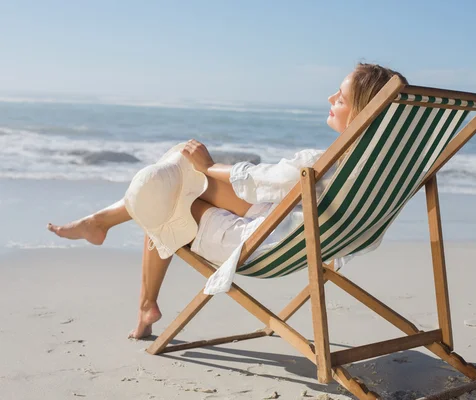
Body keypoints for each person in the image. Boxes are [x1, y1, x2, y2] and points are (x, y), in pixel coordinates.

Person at [47, 63, 408, 339]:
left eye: (340, 98)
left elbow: (273, 178)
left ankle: (143, 301)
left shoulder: (322, 161)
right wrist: (208, 169)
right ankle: (101, 224)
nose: (330, 99)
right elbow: (273, 187)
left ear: (363, 113)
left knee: (166, 202)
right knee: (184, 176)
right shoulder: (390, 164)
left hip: (265, 245)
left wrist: (211, 165)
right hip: (300, 231)